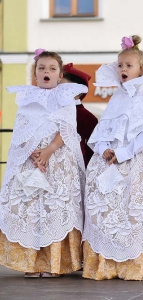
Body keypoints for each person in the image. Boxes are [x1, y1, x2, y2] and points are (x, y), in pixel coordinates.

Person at [82, 35, 143, 281]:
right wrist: (103, 146)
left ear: (142, 70)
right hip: (111, 161)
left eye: (129, 65)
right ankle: (108, 264)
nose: (123, 69)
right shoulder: (118, 97)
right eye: (120, 65)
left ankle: (138, 263)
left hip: (136, 161)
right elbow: (104, 128)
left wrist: (124, 152)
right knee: (109, 209)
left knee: (135, 210)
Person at [0, 49, 86, 277]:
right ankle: (33, 264)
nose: (46, 71)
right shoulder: (27, 99)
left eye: (51, 68)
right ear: (35, 74)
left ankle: (54, 264)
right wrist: (31, 153)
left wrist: (48, 151)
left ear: (59, 75)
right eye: (41, 68)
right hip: (31, 160)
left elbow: (66, 129)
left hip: (57, 160)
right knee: (32, 211)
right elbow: (22, 130)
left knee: (53, 209)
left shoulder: (65, 98)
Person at [61, 63, 98, 167]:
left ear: (79, 92)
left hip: (77, 167)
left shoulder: (88, 118)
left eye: (64, 88)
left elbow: (91, 150)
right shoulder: (54, 112)